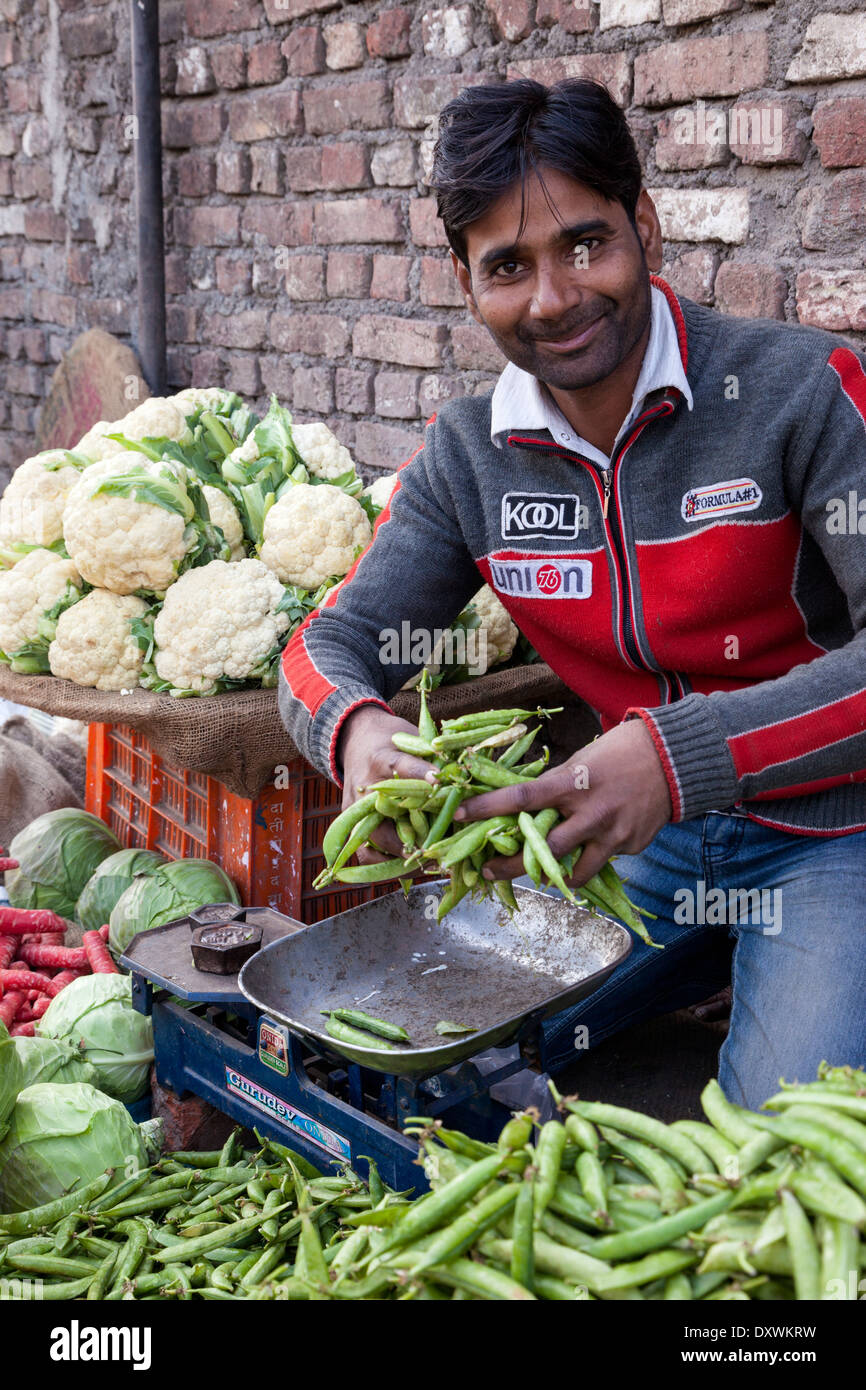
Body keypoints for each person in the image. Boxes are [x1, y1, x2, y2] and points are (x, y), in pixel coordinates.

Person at [279, 78, 866, 1110]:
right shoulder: (468, 457)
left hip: (829, 835)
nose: (552, 297)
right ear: (463, 281)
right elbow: (330, 643)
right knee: (424, 1083)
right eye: (506, 265)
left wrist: (679, 757)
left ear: (642, 223)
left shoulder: (801, 388)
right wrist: (358, 732)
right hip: (624, 843)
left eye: (583, 244)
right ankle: (698, 963)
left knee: (781, 1149)